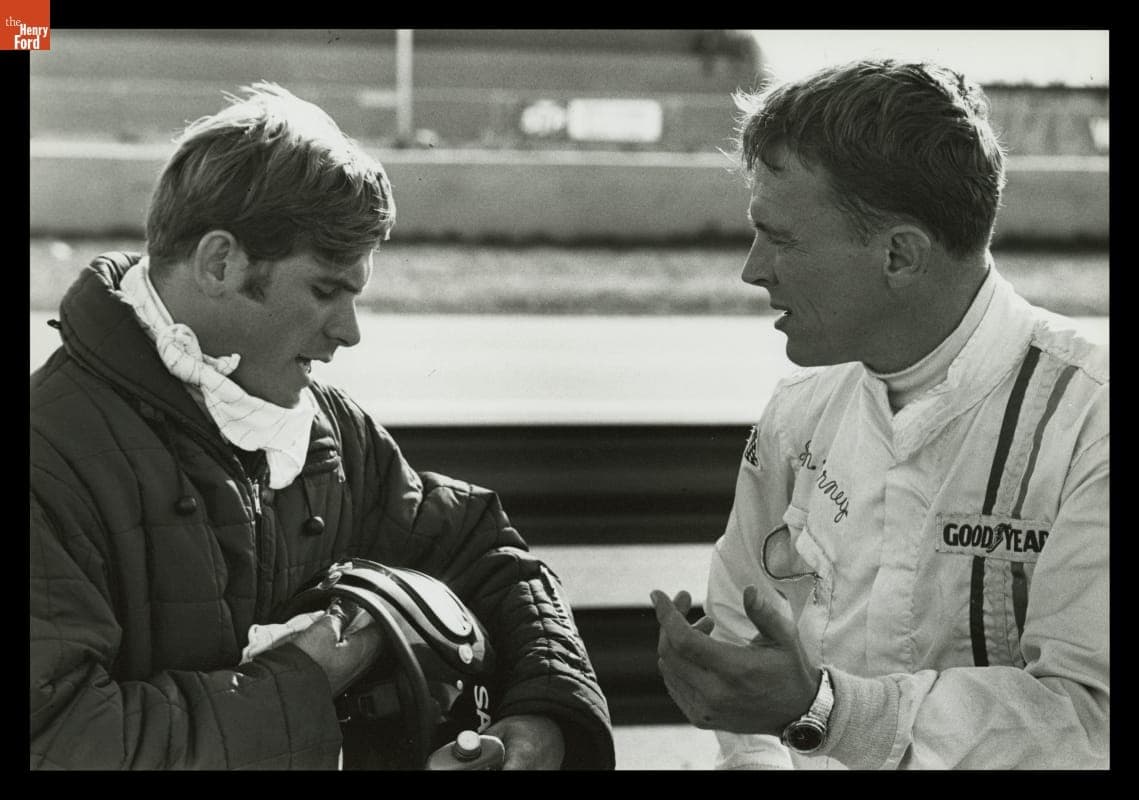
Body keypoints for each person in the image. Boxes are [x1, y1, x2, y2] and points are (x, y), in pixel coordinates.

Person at [30, 82, 615, 771]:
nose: (349, 331)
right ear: (220, 263)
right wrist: (304, 681)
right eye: (326, 289)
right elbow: (56, 740)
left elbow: (488, 558)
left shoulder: (330, 432)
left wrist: (543, 718)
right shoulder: (48, 455)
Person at [651, 59, 1108, 769]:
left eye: (781, 238)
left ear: (899, 255)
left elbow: (1089, 723)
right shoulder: (800, 412)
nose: (752, 269)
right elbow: (743, 646)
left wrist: (824, 711)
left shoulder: (1089, 419)